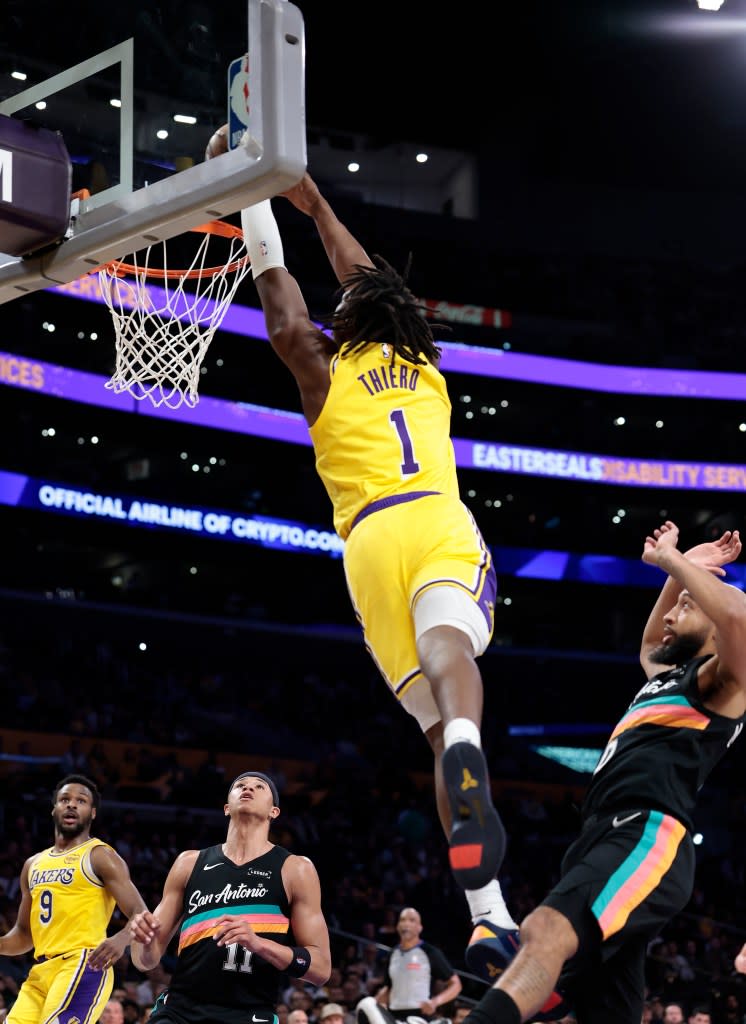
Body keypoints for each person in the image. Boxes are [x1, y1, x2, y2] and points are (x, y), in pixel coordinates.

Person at [241, 174, 516, 940]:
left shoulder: (320, 371)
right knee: (450, 649)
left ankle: (490, 916)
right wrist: (315, 203)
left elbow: (280, 298)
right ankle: (480, 870)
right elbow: (367, 279)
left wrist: (251, 198)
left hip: (367, 545)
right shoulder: (425, 370)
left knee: (428, 726)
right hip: (434, 518)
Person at [460, 521, 746, 1024]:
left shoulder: (723, 683)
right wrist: (682, 569)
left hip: (645, 834)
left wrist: (675, 563)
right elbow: (651, 644)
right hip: (600, 834)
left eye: (686, 605)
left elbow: (738, 617)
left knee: (545, 931)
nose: (673, 613)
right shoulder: (667, 678)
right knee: (601, 1009)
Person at [128, 771, 331, 1024]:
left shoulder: (295, 869)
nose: (248, 788)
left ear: (274, 812)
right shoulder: (189, 863)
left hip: (249, 1013)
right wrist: (144, 940)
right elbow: (145, 961)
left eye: (260, 787)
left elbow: (321, 969)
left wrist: (259, 944)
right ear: (226, 808)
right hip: (181, 1010)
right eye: (240, 785)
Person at [0, 774, 148, 1024]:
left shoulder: (100, 856)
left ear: (92, 813)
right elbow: (24, 936)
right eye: (64, 799)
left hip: (84, 963)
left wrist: (120, 940)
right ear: (54, 809)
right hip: (40, 972)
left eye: (81, 800)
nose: (71, 804)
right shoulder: (32, 864)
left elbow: (140, 912)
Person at [356, 907, 462, 1024]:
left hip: (420, 1016)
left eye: (412, 920)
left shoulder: (430, 952)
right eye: (402, 920)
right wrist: (375, 1002)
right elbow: (389, 988)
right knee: (365, 1004)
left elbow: (456, 984)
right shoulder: (393, 953)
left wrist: (435, 1002)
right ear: (397, 926)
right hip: (393, 1016)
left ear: (419, 928)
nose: (406, 924)